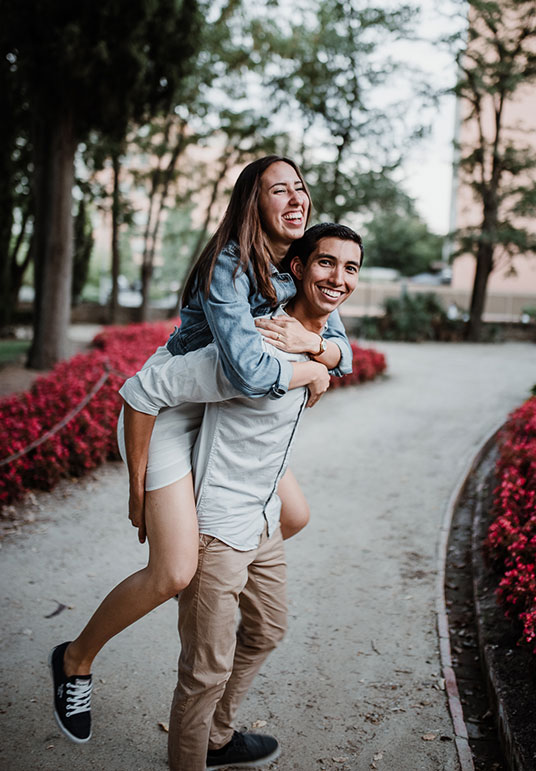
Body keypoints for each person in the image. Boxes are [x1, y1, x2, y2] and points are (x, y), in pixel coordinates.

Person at [50, 156, 351, 744]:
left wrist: (322, 352)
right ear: (252, 203)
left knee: (294, 514)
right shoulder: (228, 267)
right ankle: (75, 659)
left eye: (300, 188)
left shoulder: (298, 264)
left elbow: (338, 337)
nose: (296, 199)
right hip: (167, 411)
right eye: (278, 190)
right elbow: (248, 371)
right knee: (172, 570)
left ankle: (208, 576)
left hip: (221, 414)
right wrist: (137, 491)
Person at [120, 223, 361, 770]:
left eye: (350, 268)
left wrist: (321, 357)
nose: (338, 278)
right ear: (296, 268)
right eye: (325, 263)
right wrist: (139, 491)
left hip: (262, 513)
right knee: (205, 670)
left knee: (268, 627)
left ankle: (217, 737)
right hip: (219, 521)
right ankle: (190, 755)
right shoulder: (247, 349)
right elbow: (143, 392)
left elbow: (344, 356)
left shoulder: (319, 345)